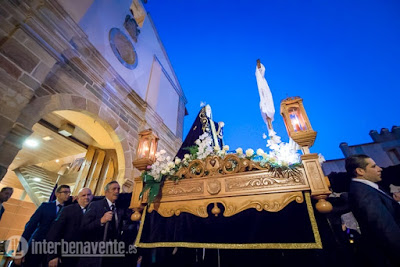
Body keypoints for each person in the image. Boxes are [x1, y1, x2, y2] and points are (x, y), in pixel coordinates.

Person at [345, 154, 400, 267]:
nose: (379, 169)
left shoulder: (368, 189)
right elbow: (384, 227)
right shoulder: (363, 192)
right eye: (374, 166)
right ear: (360, 171)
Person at [14, 185, 71, 267]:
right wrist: (21, 249)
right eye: (65, 192)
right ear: (57, 194)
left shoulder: (68, 210)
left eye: (69, 192)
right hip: (36, 244)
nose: (68, 194)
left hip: (52, 250)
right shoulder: (45, 206)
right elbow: (30, 227)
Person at [80, 181, 131, 267]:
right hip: (96, 254)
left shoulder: (120, 208)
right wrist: (101, 221)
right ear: (106, 192)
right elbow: (84, 228)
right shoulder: (95, 205)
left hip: (112, 254)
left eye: (118, 189)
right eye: (114, 189)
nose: (117, 191)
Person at [46, 188, 93, 267]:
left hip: (83, 260)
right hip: (64, 257)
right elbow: (54, 233)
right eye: (83, 195)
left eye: (89, 195)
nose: (86, 197)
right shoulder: (67, 210)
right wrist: (53, 255)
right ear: (78, 198)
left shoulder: (94, 212)